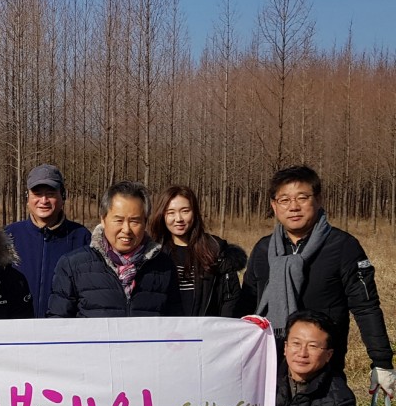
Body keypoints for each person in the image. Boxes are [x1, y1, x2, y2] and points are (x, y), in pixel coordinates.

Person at [238, 165, 395, 392]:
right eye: (284, 200)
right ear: (274, 205)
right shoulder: (263, 250)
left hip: (324, 368)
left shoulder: (342, 246)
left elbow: (365, 306)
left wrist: (381, 361)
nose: (293, 207)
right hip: (270, 364)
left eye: (302, 197)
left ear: (318, 199)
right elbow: (247, 307)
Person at [48, 181, 181, 318]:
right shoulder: (73, 265)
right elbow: (58, 325)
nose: (126, 229)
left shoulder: (164, 266)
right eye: (118, 220)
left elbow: (176, 324)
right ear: (103, 220)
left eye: (134, 221)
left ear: (145, 222)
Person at [5, 164, 90, 319]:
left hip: (64, 332)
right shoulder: (9, 236)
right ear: (27, 197)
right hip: (17, 331)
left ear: (62, 196)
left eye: (50, 194)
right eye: (37, 194)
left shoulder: (81, 237)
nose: (43, 201)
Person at [149, 185, 246, 316]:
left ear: (194, 212)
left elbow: (230, 300)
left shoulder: (216, 250)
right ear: (161, 215)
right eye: (171, 212)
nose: (179, 219)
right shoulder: (152, 254)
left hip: (207, 333)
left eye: (185, 211)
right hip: (167, 333)